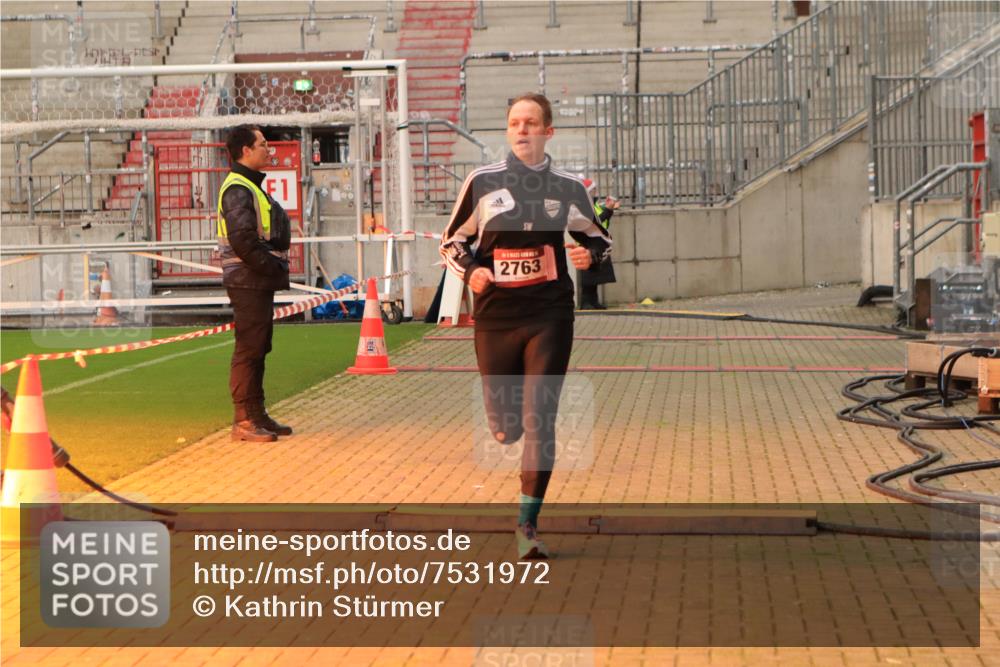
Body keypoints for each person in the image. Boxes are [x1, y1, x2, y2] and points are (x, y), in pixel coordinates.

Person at [440, 93, 612, 558]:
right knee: (506, 428)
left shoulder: (569, 186)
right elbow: (452, 241)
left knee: (541, 419)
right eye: (515, 122)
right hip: (495, 317)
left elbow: (599, 240)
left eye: (531, 123)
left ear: (547, 131)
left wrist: (587, 254)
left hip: (549, 314)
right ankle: (503, 424)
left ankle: (527, 526)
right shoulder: (482, 182)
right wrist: (471, 270)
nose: (522, 130)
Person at [218, 125, 293, 442]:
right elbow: (243, 241)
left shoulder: (247, 186)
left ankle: (256, 414)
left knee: (259, 347)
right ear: (246, 151)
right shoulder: (238, 189)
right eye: (263, 144)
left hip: (254, 279)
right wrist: (272, 266)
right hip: (247, 279)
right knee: (249, 349)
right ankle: (244, 420)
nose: (269, 149)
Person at [578, 178, 620, 310]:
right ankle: (586, 302)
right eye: (593, 190)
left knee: (596, 274)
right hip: (586, 244)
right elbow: (593, 223)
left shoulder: (594, 205)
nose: (595, 192)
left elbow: (602, 220)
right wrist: (608, 211)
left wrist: (609, 209)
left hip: (596, 243)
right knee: (588, 275)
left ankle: (593, 301)